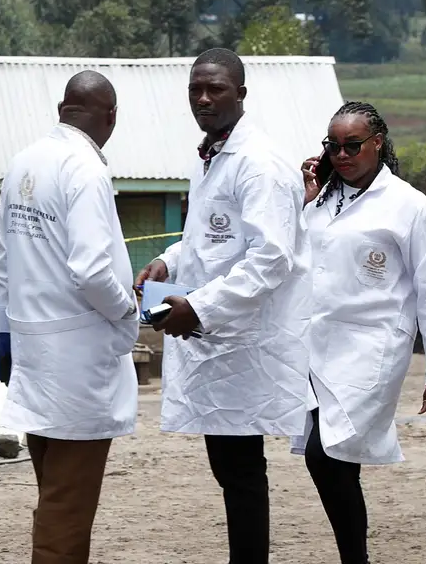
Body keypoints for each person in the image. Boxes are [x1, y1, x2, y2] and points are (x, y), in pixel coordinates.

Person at [134, 48, 312, 564]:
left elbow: (270, 259)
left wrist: (201, 306)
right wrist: (168, 262)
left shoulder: (258, 164)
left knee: (241, 472)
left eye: (216, 89)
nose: (204, 98)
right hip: (215, 335)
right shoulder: (210, 153)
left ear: (241, 94)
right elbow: (210, 239)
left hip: (242, 340)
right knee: (232, 470)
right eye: (196, 89)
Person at [293, 101, 426, 564]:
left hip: (372, 348)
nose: (342, 155)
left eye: (352, 145)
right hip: (315, 347)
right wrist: (302, 200)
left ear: (378, 144)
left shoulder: (408, 205)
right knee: (338, 460)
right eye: (333, 146)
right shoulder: (319, 201)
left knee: (324, 454)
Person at [0, 70, 140, 564]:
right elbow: (93, 270)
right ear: (110, 118)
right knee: (67, 507)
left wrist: (12, 330)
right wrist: (129, 308)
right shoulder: (85, 169)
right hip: (76, 361)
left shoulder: (23, 162)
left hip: (34, 351)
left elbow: (2, 265)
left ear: (62, 108)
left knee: (54, 487)